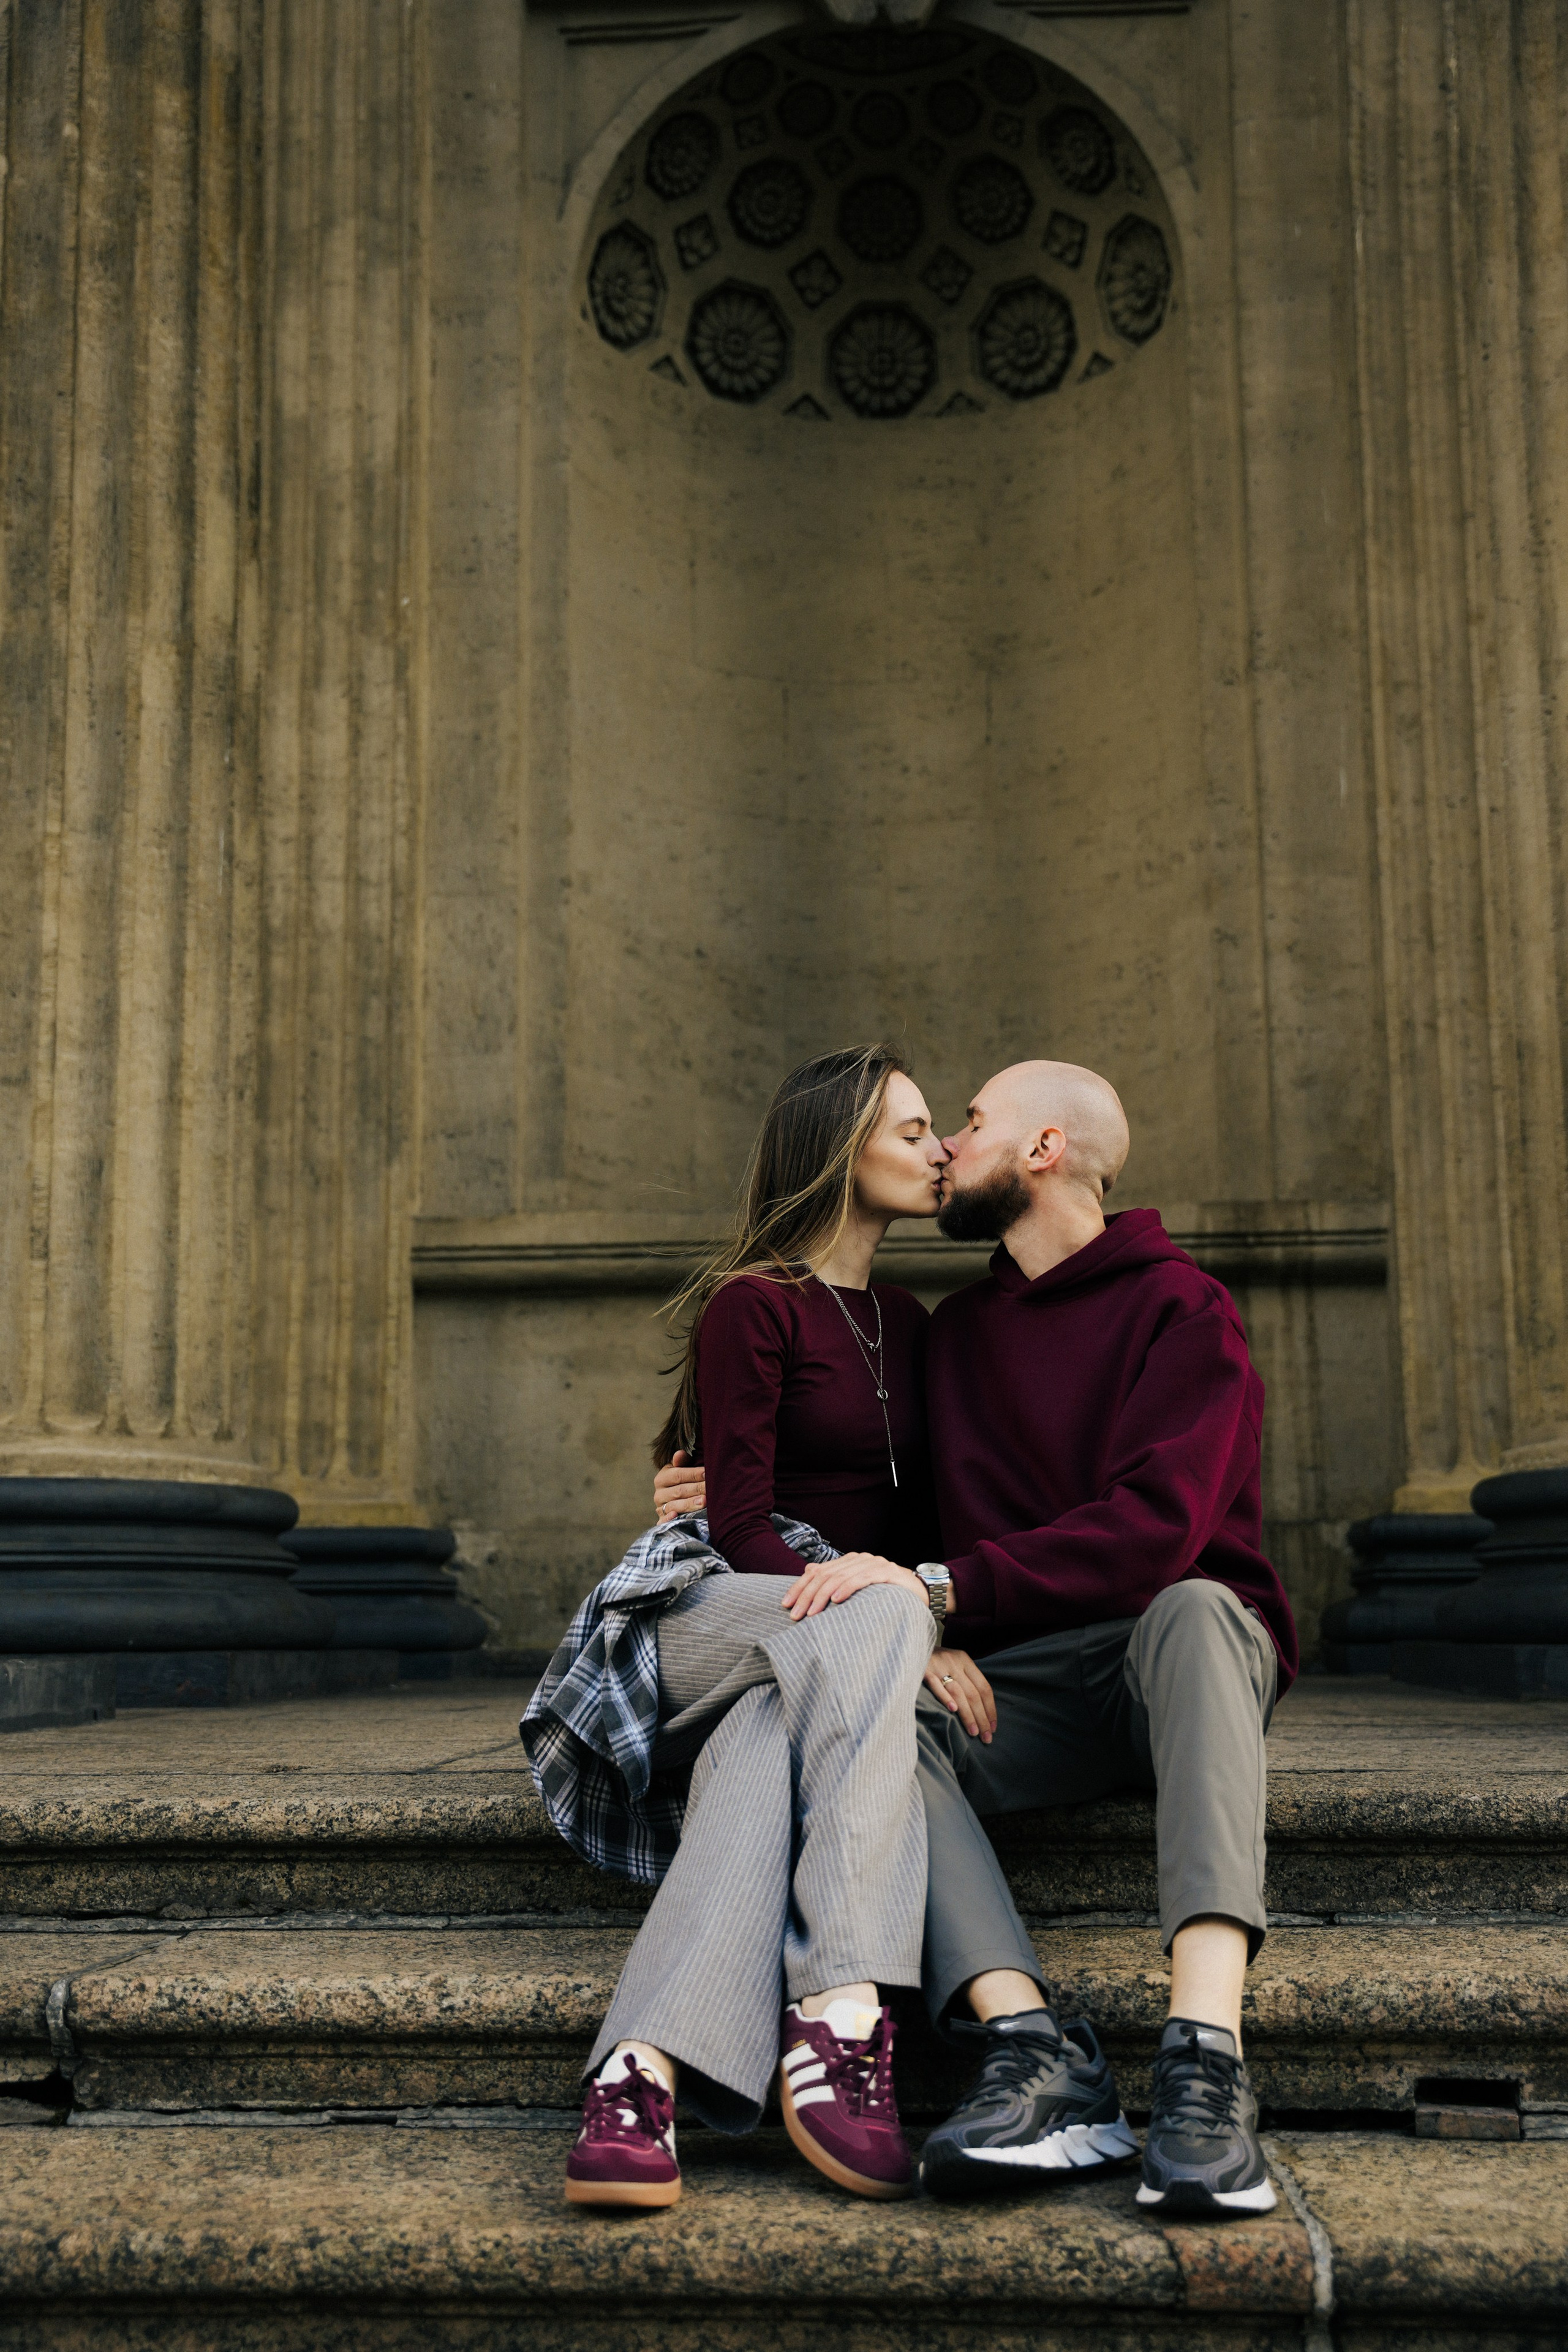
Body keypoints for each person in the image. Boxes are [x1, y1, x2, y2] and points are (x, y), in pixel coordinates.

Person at [657, 1060, 1298, 2218]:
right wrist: (705, 1499)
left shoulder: (1183, 1308)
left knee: (1199, 1606)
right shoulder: (948, 1336)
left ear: (1044, 1149)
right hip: (1022, 1686)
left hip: (1169, 1666)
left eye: (969, 1122)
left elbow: (1156, 1533)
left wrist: (941, 1591)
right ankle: (1037, 2051)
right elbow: (870, 1500)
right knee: (880, 1719)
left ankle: (1206, 2060)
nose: (949, 1145)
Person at [551, 1044, 968, 2211]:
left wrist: (928, 1622)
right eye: (912, 1131)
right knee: (874, 1608)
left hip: (818, 1646)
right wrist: (891, 1605)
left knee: (761, 1742)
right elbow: (733, 1522)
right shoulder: (755, 1303)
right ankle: (842, 2009)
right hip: (704, 1609)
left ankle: (635, 2079)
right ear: (840, 1151)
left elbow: (930, 1522)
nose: (939, 1150)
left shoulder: (913, 1324)